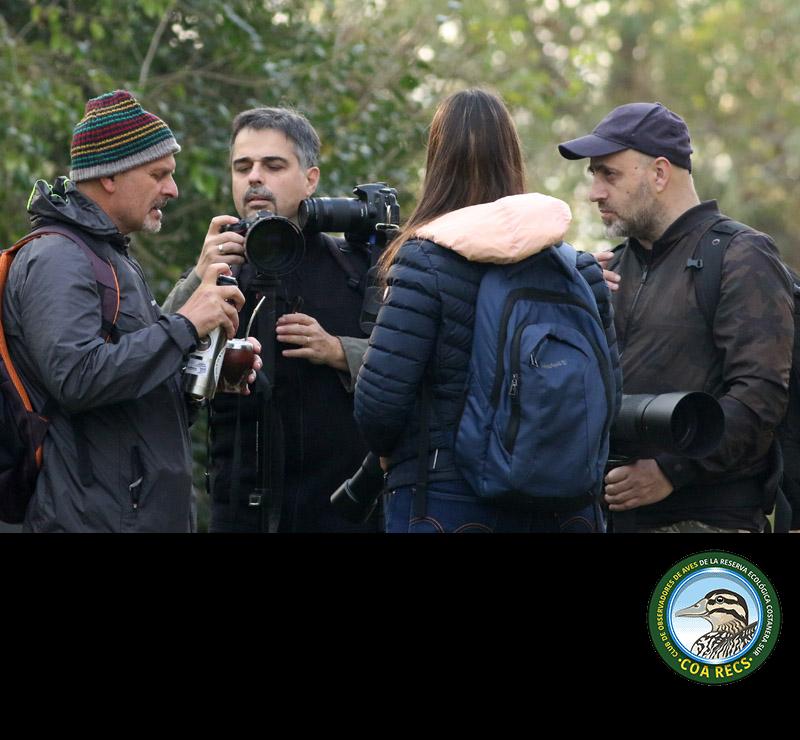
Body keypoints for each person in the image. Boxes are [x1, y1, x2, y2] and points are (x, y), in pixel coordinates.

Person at [353, 88, 620, 533]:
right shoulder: (578, 269)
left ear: (438, 163)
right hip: (567, 507)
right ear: (512, 158)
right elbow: (609, 396)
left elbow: (379, 406)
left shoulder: (424, 261)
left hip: (448, 504)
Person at [3, 89, 257, 533]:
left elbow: (133, 394)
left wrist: (207, 373)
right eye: (158, 174)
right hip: (91, 521)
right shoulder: (57, 257)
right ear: (109, 176)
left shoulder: (111, 259)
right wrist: (185, 324)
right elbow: (76, 377)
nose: (172, 190)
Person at [558, 101, 794, 532]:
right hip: (611, 518)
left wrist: (670, 471)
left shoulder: (741, 255)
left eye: (609, 174)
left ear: (660, 174)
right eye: (594, 176)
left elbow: (760, 396)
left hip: (709, 523)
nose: (595, 192)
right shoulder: (609, 268)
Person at [163, 107, 378, 532]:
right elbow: (150, 360)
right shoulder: (216, 272)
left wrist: (339, 351)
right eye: (242, 167)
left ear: (310, 179)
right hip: (239, 510)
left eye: (273, 166)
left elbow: (412, 367)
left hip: (342, 511)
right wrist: (199, 277)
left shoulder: (356, 269)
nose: (255, 178)